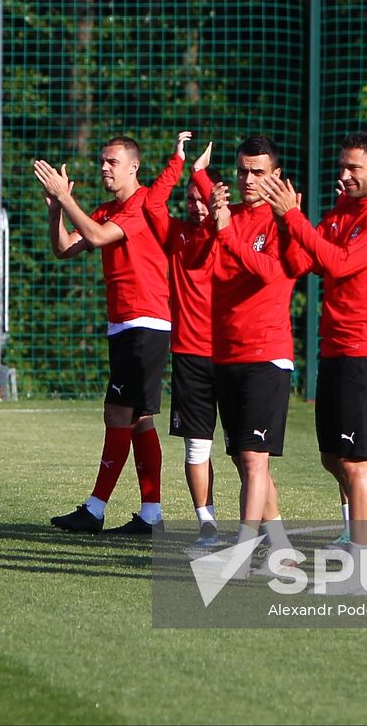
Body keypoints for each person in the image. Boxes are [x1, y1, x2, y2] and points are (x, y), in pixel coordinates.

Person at [261, 131, 367, 583]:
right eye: (342, 167)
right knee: (334, 458)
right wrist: (286, 221)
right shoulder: (343, 211)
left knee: (357, 462)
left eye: (354, 168)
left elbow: (340, 262)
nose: (343, 175)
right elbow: (301, 261)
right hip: (336, 348)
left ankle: (363, 562)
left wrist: (295, 218)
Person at [35, 137, 169, 535]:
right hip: (126, 324)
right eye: (102, 162)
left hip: (145, 322)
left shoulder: (143, 205)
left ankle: (95, 509)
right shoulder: (108, 210)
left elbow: (94, 237)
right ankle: (151, 514)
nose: (105, 168)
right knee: (139, 419)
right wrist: (57, 209)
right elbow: (64, 248)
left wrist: (67, 198)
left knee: (117, 413)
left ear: (134, 167)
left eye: (113, 162)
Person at [185, 135, 305, 566]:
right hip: (226, 353)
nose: (248, 179)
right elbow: (198, 264)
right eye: (242, 171)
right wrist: (201, 184)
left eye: (258, 172)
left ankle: (243, 547)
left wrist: (226, 234)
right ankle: (282, 546)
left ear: (276, 176)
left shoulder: (284, 221)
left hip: (266, 354)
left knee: (254, 460)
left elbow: (272, 273)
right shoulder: (228, 216)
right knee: (244, 460)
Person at [143, 131, 219, 545]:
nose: (194, 202)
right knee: (196, 450)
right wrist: (178, 161)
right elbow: (153, 202)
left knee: (248, 456)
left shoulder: (228, 232)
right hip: (189, 352)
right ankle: (206, 521)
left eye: (200, 196)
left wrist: (201, 174)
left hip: (232, 355)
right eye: (189, 196)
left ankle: (260, 527)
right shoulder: (176, 234)